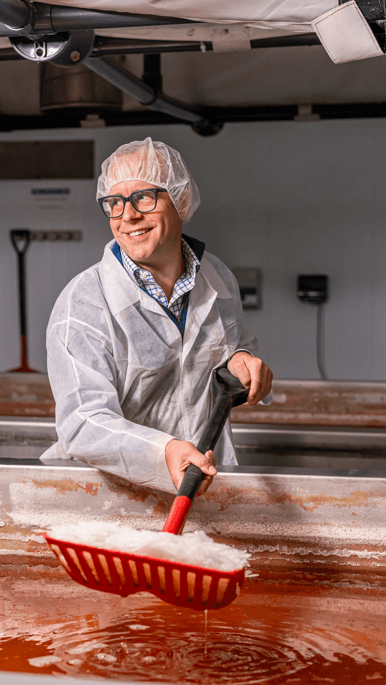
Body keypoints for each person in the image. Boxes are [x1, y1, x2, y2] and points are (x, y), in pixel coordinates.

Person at [41, 137, 273, 495]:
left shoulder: (217, 277)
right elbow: (83, 422)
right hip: (105, 496)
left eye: (143, 198)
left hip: (201, 483)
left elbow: (232, 348)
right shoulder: (84, 303)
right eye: (114, 203)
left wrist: (243, 361)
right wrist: (161, 451)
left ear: (179, 199)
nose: (128, 216)